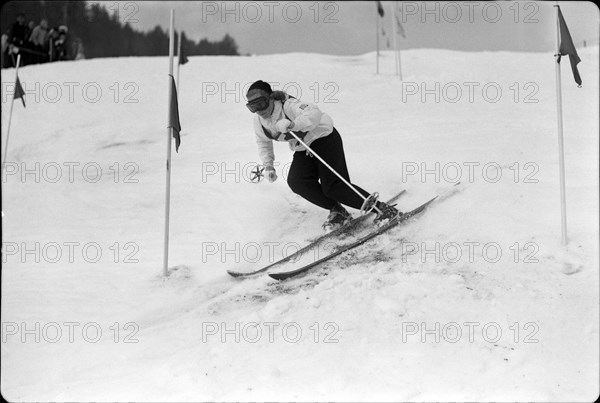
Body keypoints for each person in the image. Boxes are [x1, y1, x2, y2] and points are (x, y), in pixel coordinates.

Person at [246, 80, 400, 230]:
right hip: (303, 148)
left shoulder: (288, 106)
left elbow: (313, 113)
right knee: (298, 181)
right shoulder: (259, 121)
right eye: (253, 107)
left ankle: (383, 210)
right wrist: (269, 165)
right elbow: (263, 142)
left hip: (324, 138)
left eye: (261, 103)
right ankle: (338, 211)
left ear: (271, 97)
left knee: (334, 186)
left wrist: (293, 125)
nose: (259, 110)